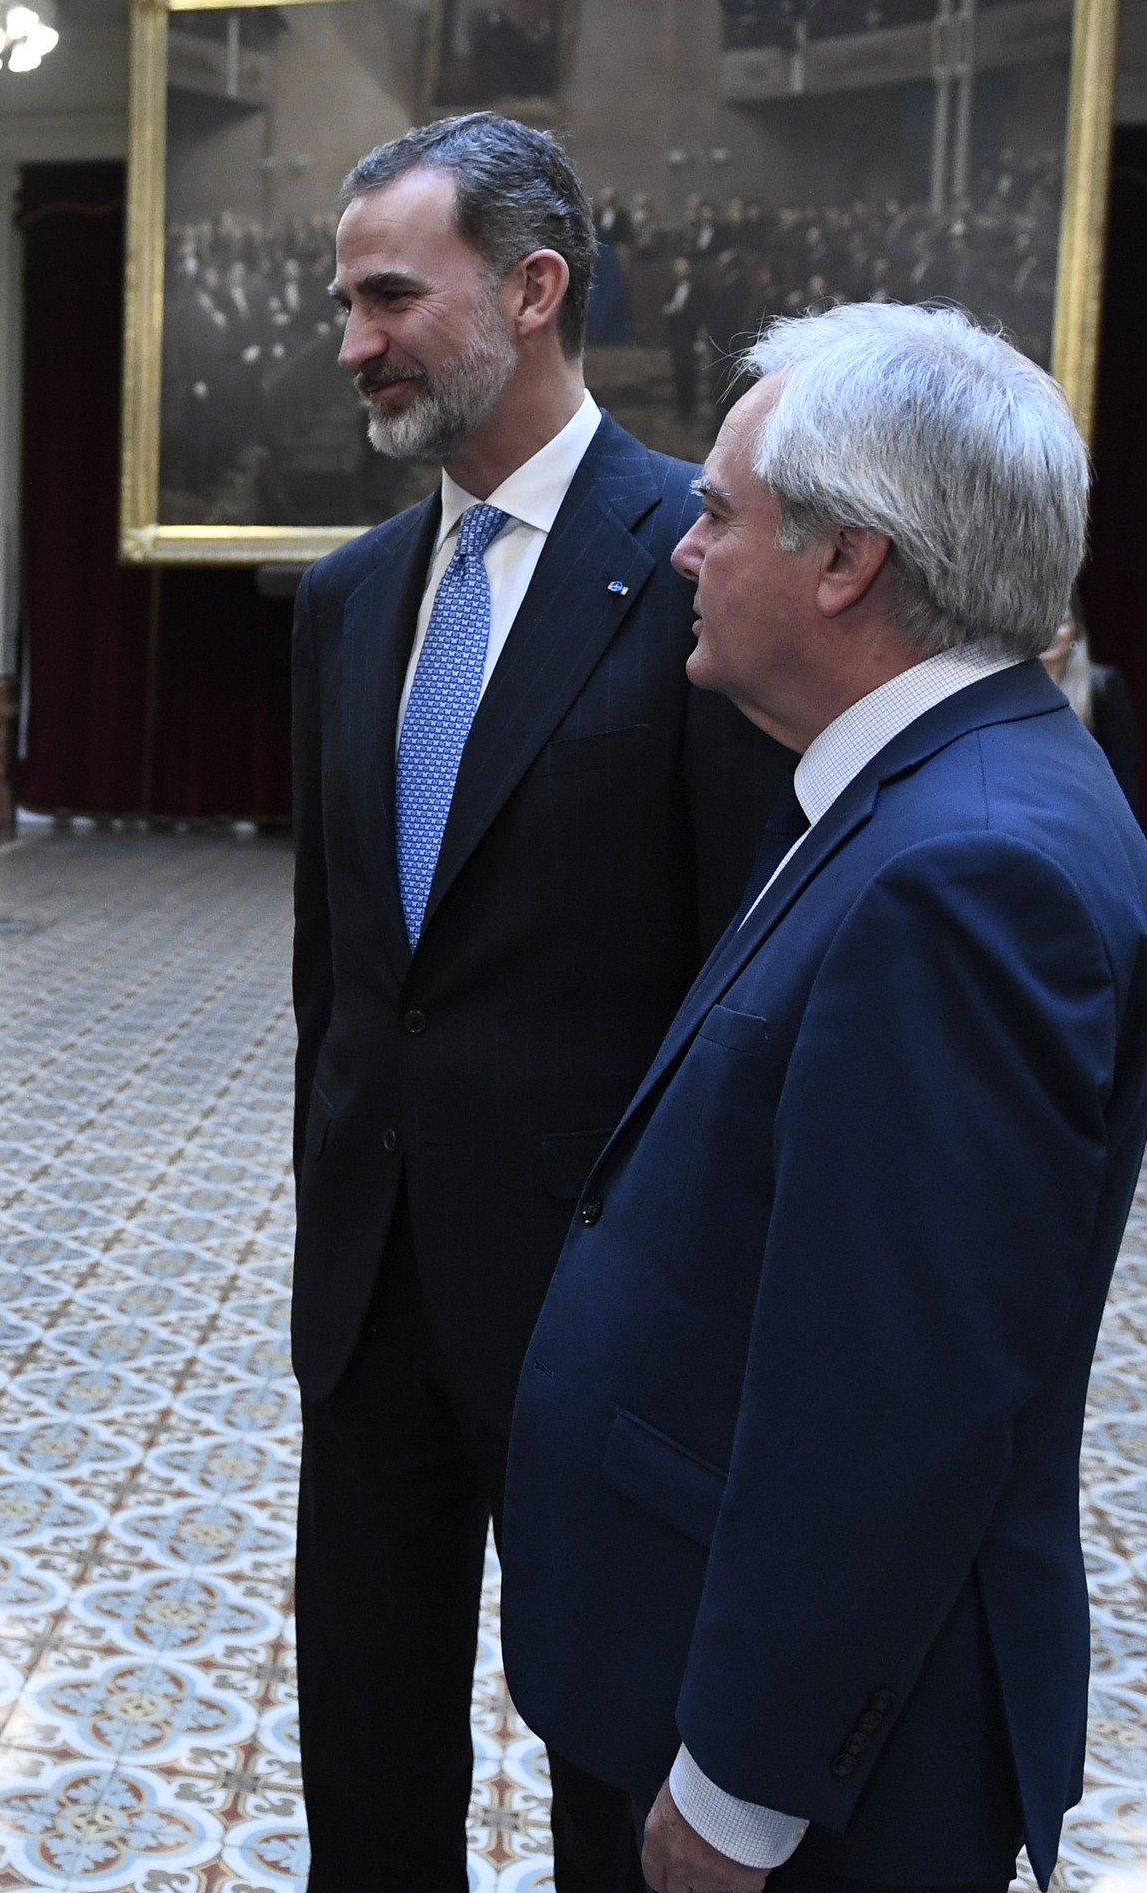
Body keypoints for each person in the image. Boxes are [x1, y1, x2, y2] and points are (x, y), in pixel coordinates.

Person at [504, 302, 1147, 1893]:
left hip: (806, 1785)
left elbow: (894, 1397)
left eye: (720, 517)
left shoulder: (972, 871)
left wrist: (740, 1790)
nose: (684, 552)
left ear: (847, 562)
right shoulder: (924, 788)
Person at [289, 112, 791, 1891]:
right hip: (370, 1308)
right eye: (343, 301)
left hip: (601, 1312)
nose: (351, 341)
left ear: (533, 286)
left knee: (610, 1770)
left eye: (386, 297)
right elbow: (340, 984)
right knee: (364, 1755)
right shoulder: (349, 602)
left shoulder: (694, 571)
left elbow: (746, 979)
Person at [1043, 599, 1141, 820]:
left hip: (1087, 815)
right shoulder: (1010, 692)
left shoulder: (1104, 688)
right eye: (1044, 623)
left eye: (1061, 623)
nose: (1051, 633)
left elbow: (1122, 772)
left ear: (1075, 633)